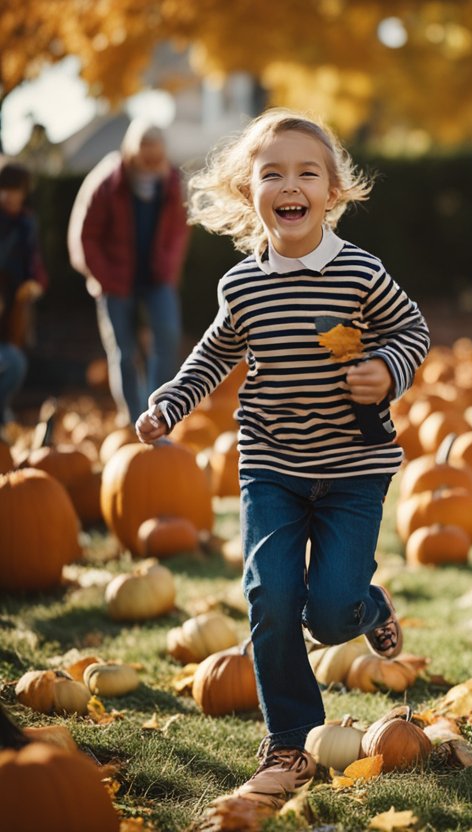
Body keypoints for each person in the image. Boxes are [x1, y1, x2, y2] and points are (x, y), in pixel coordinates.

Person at [133, 109, 431, 808]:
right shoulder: (242, 287)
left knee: (329, 613)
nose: (290, 184)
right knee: (271, 596)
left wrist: (387, 367)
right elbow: (213, 354)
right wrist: (170, 402)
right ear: (248, 191)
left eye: (307, 172)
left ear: (332, 193)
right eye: (273, 173)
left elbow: (410, 328)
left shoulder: (360, 272)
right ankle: (291, 741)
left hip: (353, 468)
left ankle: (367, 604)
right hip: (271, 464)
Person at [67, 119, 190, 424]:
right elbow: (86, 236)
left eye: (157, 157)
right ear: (133, 153)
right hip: (113, 279)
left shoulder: (171, 181)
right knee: (124, 350)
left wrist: (169, 267)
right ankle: (133, 417)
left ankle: (158, 413)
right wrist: (105, 278)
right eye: (146, 157)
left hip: (156, 276)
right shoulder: (108, 182)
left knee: (168, 336)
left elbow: (178, 231)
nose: (152, 164)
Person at [0, 160, 47, 428]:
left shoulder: (27, 224)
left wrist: (34, 284)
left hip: (11, 312)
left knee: (15, 363)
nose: (8, 196)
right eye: (4, 189)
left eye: (14, 190)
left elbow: (35, 265)